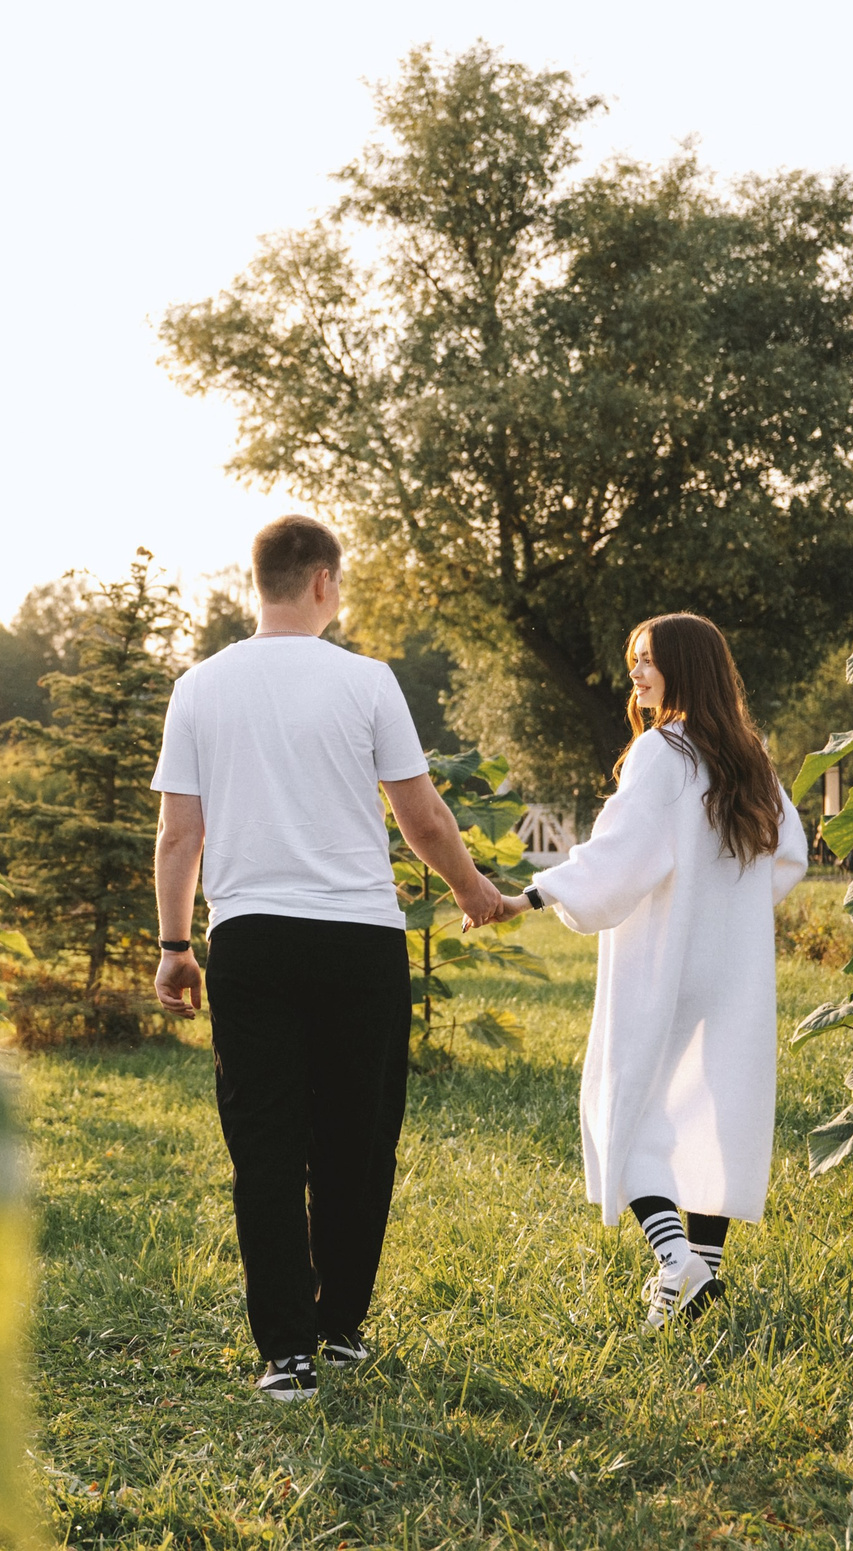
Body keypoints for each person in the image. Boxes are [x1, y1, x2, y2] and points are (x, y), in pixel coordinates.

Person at [151, 515, 501, 1403]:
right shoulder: (368, 682)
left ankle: (287, 1355)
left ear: (256, 582)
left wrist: (174, 946)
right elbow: (422, 818)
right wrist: (470, 891)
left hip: (252, 939)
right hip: (359, 941)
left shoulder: (198, 686)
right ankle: (340, 1324)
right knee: (357, 1138)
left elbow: (177, 836)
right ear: (322, 582)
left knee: (265, 1146)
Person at [494, 613, 807, 1325]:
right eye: (633, 659)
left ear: (686, 668)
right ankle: (696, 1282)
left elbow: (620, 853)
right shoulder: (748, 754)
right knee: (711, 1108)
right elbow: (789, 854)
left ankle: (676, 1261)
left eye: (650, 660)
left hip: (663, 961)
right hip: (734, 966)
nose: (636, 673)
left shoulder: (661, 751)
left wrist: (535, 893)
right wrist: (733, 903)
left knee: (621, 1103)